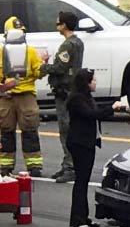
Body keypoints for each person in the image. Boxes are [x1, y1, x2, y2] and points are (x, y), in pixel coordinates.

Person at [66, 68, 115, 227]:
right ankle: (77, 219)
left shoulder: (85, 97)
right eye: (93, 80)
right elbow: (92, 114)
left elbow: (97, 110)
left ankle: (84, 216)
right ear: (86, 83)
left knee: (84, 180)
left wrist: (112, 107)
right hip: (80, 144)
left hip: (86, 143)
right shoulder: (77, 99)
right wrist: (113, 108)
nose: (95, 82)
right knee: (81, 181)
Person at [39, 11, 84, 183]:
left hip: (64, 93)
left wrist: (43, 64)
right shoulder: (78, 43)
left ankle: (70, 166)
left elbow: (59, 68)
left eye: (58, 23)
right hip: (72, 91)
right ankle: (68, 164)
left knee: (65, 130)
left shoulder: (67, 46)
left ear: (64, 25)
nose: (56, 25)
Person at [0, 17, 44, 177]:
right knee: (6, 131)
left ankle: (34, 166)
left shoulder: (30, 51)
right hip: (7, 96)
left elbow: (38, 72)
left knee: (30, 130)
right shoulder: (1, 52)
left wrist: (43, 66)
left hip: (26, 96)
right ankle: (5, 166)